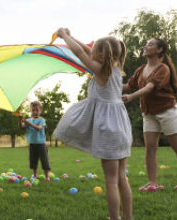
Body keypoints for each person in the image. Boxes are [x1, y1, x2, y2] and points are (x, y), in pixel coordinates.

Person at [53, 28, 132, 220]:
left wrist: (64, 36)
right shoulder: (115, 68)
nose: (90, 51)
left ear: (102, 55)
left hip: (109, 130)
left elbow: (80, 53)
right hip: (121, 127)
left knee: (111, 181)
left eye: (94, 49)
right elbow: (86, 50)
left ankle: (115, 218)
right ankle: (127, 217)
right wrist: (71, 36)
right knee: (121, 177)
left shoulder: (100, 70)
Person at [122, 38, 177, 189]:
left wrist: (131, 97)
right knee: (150, 147)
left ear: (159, 50)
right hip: (149, 113)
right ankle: (152, 182)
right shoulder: (141, 69)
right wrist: (107, 81)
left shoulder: (163, 69)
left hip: (167, 111)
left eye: (150, 44)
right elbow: (127, 86)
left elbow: (150, 87)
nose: (145, 46)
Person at [20, 101, 51, 181]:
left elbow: (38, 128)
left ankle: (47, 176)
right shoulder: (28, 120)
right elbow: (22, 127)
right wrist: (21, 121)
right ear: (30, 111)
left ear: (40, 110)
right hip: (32, 144)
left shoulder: (42, 120)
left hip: (41, 144)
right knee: (33, 160)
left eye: (37, 110)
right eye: (33, 110)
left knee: (44, 160)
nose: (35, 112)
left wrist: (28, 123)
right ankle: (34, 175)